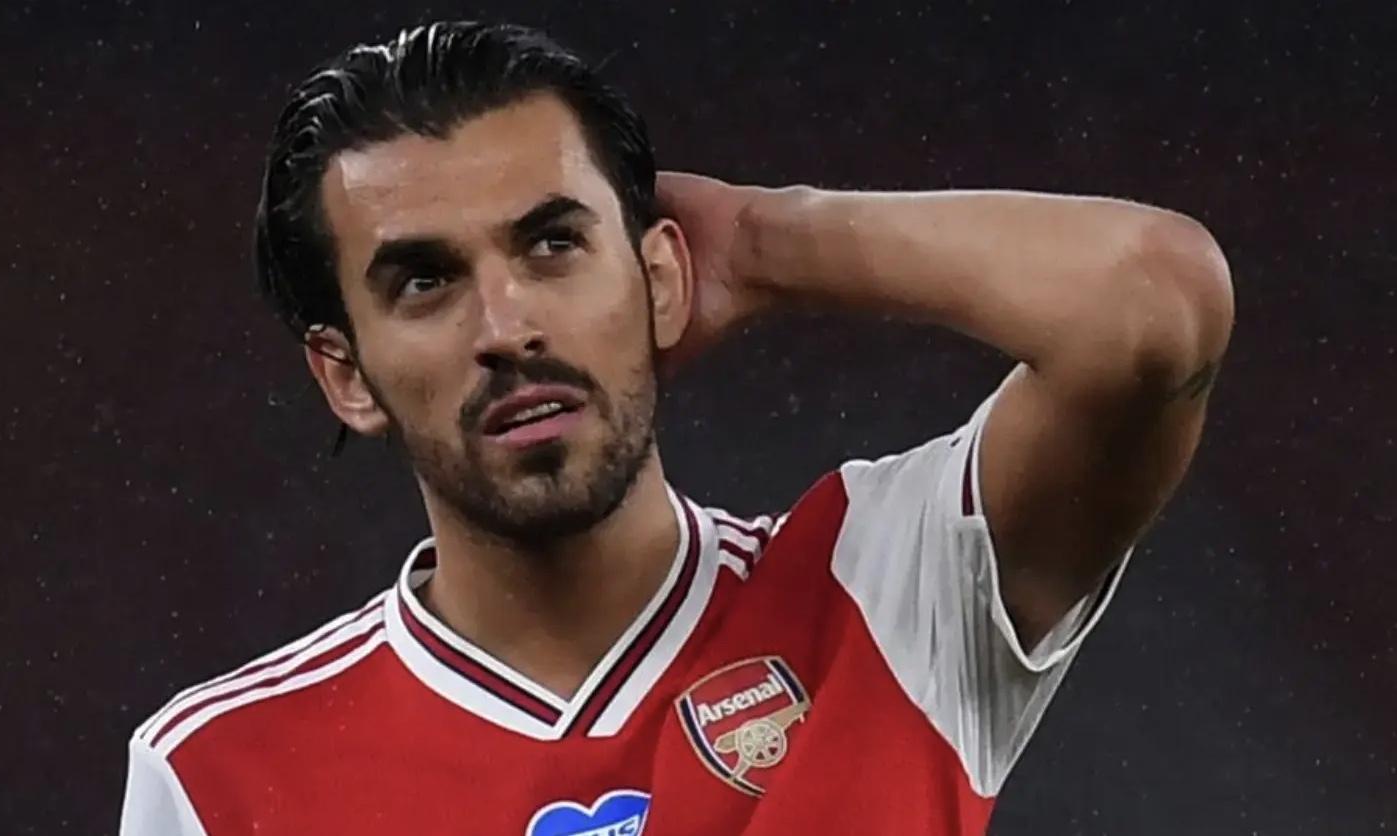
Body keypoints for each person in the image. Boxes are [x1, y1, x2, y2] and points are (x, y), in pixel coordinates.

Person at [118, 20, 1233, 836]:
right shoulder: (217, 776)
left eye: (553, 244)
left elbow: (1156, 307)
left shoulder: (886, 594)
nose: (506, 327)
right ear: (345, 374)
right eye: (424, 281)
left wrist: (756, 243)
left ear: (657, 278)